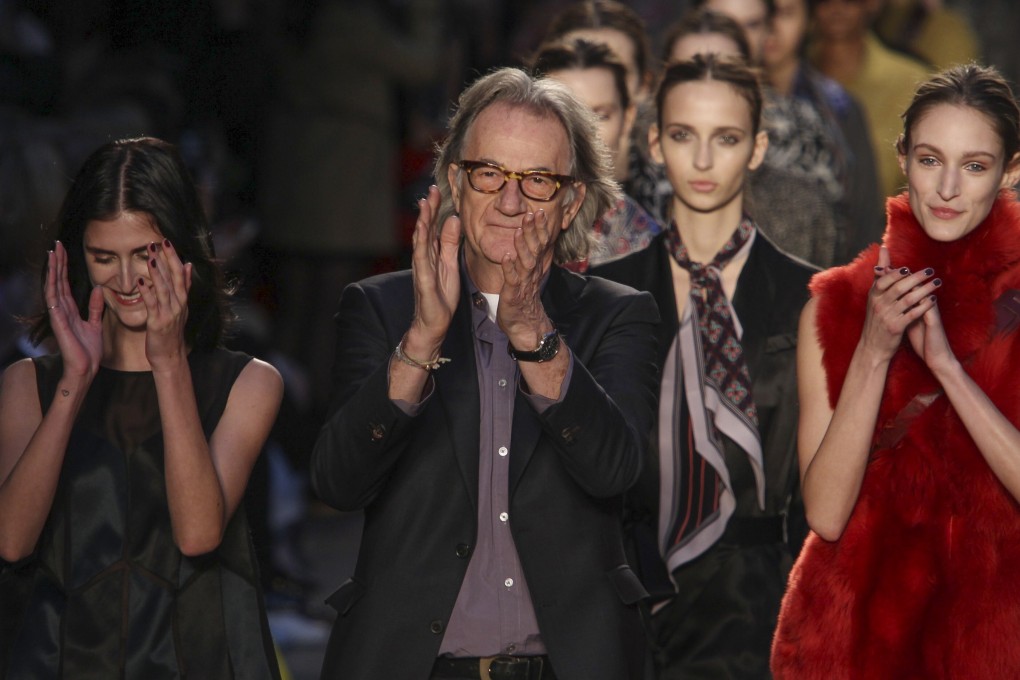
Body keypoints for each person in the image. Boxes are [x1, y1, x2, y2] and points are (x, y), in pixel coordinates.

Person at [310, 67, 660, 680]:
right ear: (454, 180)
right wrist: (421, 338)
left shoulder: (620, 315)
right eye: (489, 172)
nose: (509, 201)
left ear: (571, 200)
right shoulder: (379, 308)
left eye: (537, 180)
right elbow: (338, 483)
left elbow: (615, 474)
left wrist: (531, 330)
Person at [0, 137, 284, 677]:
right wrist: (74, 384)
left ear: (182, 251)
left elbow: (198, 533)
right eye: (103, 257)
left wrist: (170, 363)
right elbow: (12, 541)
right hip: (57, 660)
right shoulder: (27, 385)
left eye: (145, 256)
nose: (126, 281)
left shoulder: (247, 384)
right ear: (76, 256)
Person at [772, 64, 1020, 678]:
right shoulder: (834, 307)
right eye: (931, 159)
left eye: (975, 165)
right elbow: (826, 513)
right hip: (855, 642)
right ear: (902, 156)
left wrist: (947, 369)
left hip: (990, 637)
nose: (947, 188)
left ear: (1010, 172)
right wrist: (874, 351)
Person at [592, 54, 816, 679]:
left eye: (727, 138)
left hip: (762, 610)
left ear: (757, 148)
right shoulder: (604, 297)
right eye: (684, 135)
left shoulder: (812, 299)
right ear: (656, 143)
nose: (703, 159)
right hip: (632, 607)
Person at [662, 7, 839, 267]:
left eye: (726, 70)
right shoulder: (627, 191)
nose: (707, 83)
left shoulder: (797, 200)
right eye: (688, 71)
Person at [763, 0, 884, 261]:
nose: (770, 27)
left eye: (785, 13)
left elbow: (863, 213)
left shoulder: (838, 107)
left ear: (809, 19)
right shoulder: (721, 106)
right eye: (762, 14)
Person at [530, 37, 662, 268]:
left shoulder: (647, 247)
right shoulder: (496, 215)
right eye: (563, 113)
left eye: (601, 115)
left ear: (627, 118)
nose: (584, 132)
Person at [807, 0, 931, 199]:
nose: (836, 8)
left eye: (849, 2)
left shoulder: (912, 82)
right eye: (824, 0)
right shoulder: (789, 79)